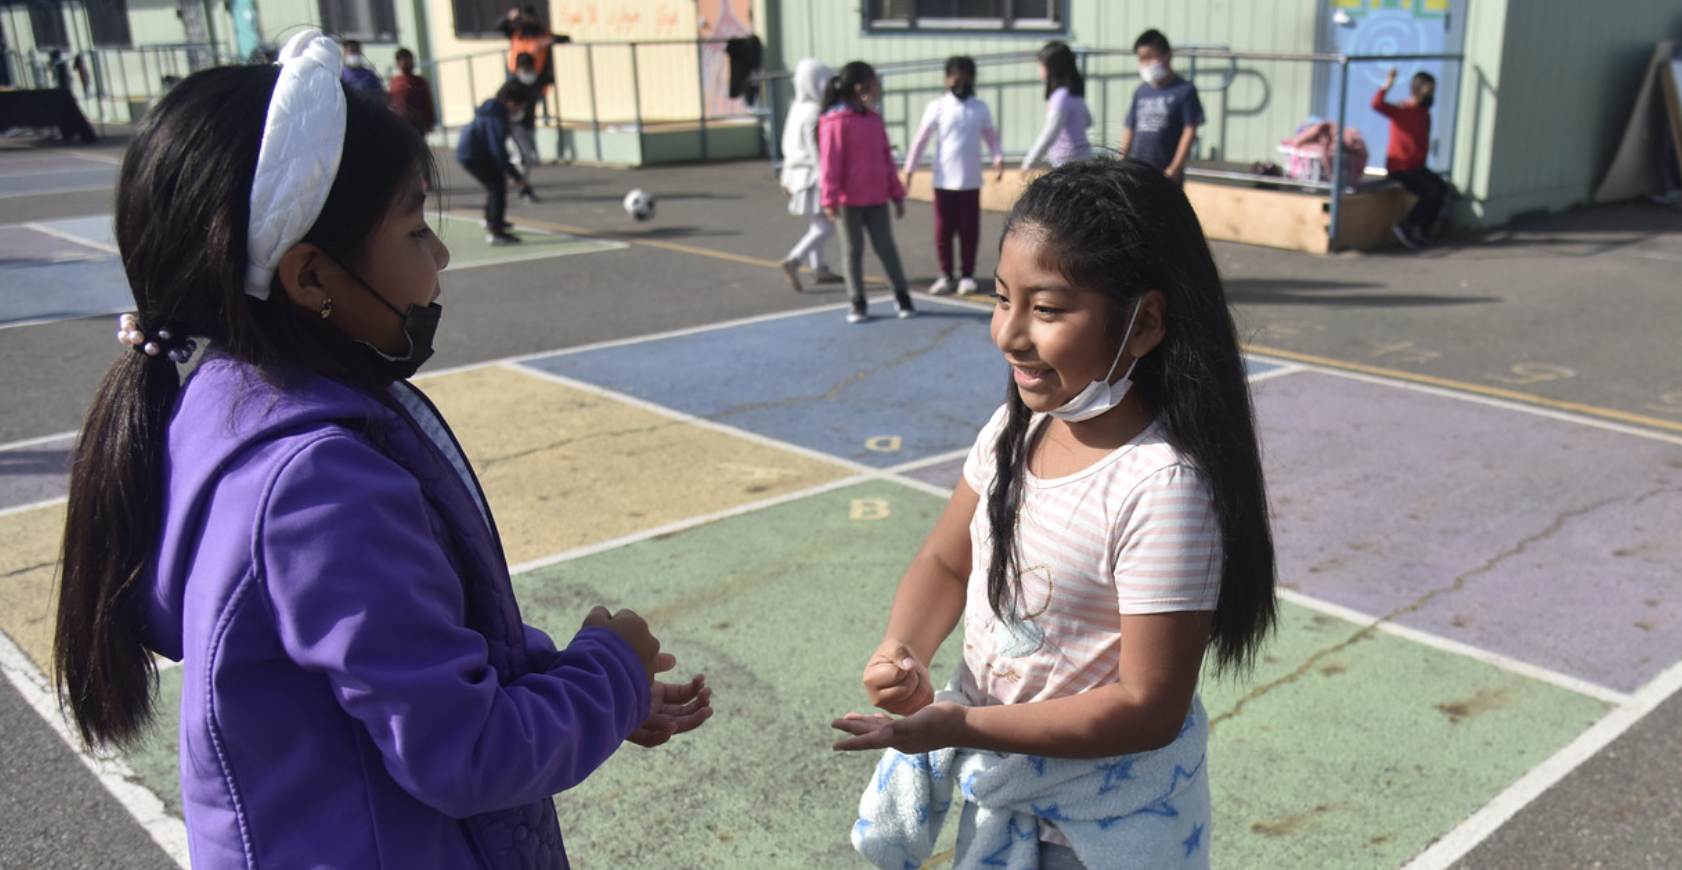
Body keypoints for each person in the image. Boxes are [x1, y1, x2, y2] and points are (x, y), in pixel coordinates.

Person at [51, 32, 712, 868]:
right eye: (414, 230)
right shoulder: (321, 486)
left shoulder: (223, 402)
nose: (439, 257)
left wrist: (583, 691)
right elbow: (470, 752)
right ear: (311, 278)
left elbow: (410, 651)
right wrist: (611, 669)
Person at [832, 157, 1277, 870]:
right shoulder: (1015, 429)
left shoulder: (1163, 488)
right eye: (1001, 298)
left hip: (1094, 836)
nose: (1009, 333)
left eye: (1045, 309)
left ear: (1143, 323)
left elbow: (1149, 706)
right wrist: (902, 649)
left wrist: (965, 726)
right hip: (1006, 794)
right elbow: (946, 561)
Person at [820, 61, 913, 323]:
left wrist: (896, 194)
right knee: (852, 251)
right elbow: (830, 163)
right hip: (848, 202)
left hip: (877, 198)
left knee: (887, 248)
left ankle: (902, 295)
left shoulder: (873, 120)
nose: (877, 89)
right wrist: (830, 199)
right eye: (873, 83)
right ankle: (857, 301)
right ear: (860, 87)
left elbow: (886, 159)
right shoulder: (836, 121)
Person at [903, 56, 1003, 297]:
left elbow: (991, 137)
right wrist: (909, 168)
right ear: (947, 79)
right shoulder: (937, 106)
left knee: (969, 231)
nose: (961, 84)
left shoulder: (980, 107)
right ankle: (945, 274)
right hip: (943, 181)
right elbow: (921, 139)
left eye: (966, 79)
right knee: (943, 231)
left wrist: (998, 158)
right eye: (956, 79)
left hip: (970, 181)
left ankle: (967, 275)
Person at [777, 57, 841, 292]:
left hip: (797, 177)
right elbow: (818, 154)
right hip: (814, 178)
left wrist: (785, 176)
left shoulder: (796, 109)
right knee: (826, 227)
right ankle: (793, 260)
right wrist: (828, 182)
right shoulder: (814, 113)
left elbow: (786, 145)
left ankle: (819, 268)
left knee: (817, 223)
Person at [1374, 66, 1448, 250]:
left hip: (1417, 167)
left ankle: (1424, 230)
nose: (1430, 95)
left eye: (1432, 91)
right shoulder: (1401, 109)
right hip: (1401, 168)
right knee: (1432, 190)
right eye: (1427, 91)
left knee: (1441, 188)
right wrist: (1387, 84)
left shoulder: (1424, 114)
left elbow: (1423, 141)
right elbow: (1376, 104)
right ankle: (1407, 225)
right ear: (1416, 90)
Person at [1120, 29, 1205, 184]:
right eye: (1141, 59)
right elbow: (1129, 129)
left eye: (1150, 57)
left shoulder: (1184, 90)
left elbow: (1189, 131)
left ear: (1168, 55)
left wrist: (1174, 168)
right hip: (1137, 169)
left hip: (1166, 171)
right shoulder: (1141, 91)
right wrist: (1121, 161)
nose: (1146, 63)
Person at [457, 80, 533, 245]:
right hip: (473, 155)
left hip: (473, 153)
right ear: (511, 103)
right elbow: (498, 150)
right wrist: (517, 177)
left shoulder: (493, 110)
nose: (520, 111)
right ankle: (495, 230)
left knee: (495, 183)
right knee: (496, 185)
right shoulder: (497, 115)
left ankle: (492, 220)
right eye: (521, 106)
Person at [1019, 41, 1091, 178]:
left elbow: (1049, 134)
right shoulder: (1074, 94)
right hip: (1083, 157)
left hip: (1067, 163)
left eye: (1041, 66)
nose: (1040, 72)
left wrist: (1029, 162)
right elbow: (1088, 121)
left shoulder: (1060, 97)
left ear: (1052, 68)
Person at [508, 52, 543, 202]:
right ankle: (523, 188)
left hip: (528, 125)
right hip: (515, 127)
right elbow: (502, 103)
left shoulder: (534, 83)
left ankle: (517, 179)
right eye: (525, 69)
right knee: (524, 157)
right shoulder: (512, 85)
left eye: (530, 68)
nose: (528, 72)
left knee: (531, 158)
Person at [388, 47, 436, 136]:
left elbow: (427, 102)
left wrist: (430, 122)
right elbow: (392, 103)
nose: (407, 63)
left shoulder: (420, 81)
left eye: (409, 60)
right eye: (403, 60)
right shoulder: (394, 82)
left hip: (418, 124)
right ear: (397, 63)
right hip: (400, 124)